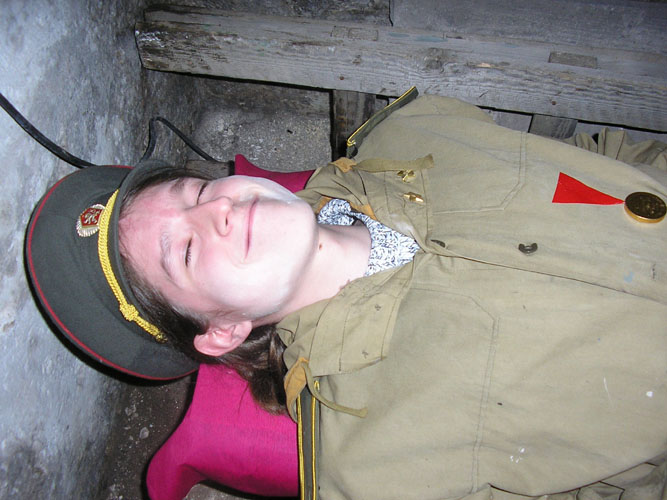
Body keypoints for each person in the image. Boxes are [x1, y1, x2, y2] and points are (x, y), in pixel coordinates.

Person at [27, 91, 667, 500]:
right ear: (221, 331)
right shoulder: (377, 468)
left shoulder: (412, 133)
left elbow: (600, 162)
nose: (218, 209)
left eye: (194, 192)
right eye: (187, 252)